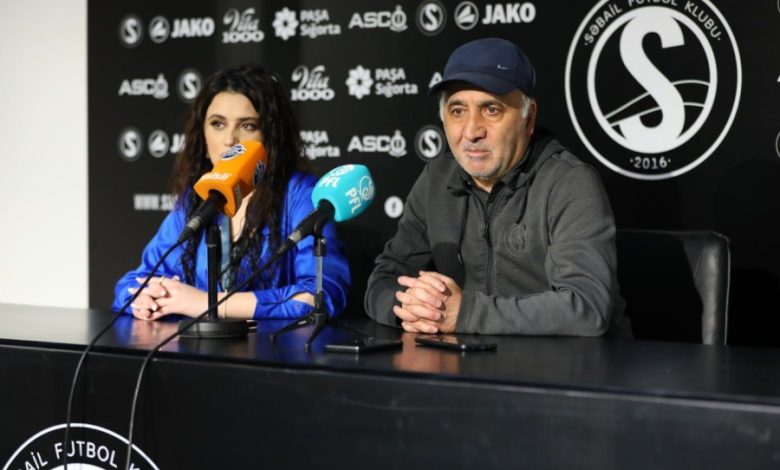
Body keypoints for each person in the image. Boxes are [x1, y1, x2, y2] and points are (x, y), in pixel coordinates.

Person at [365, 38, 630, 336]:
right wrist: (412, 310)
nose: (471, 131)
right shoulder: (436, 179)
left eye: (491, 109)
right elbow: (383, 281)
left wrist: (465, 314)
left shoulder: (570, 182)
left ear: (528, 118)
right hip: (472, 361)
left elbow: (587, 308)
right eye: (457, 111)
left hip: (576, 364)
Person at [113, 65, 350, 321]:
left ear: (271, 138)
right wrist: (144, 298)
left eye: (247, 126)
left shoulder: (302, 193)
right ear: (202, 137)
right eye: (217, 124)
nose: (229, 140)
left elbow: (322, 295)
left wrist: (207, 304)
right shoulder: (198, 197)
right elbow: (133, 282)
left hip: (275, 345)